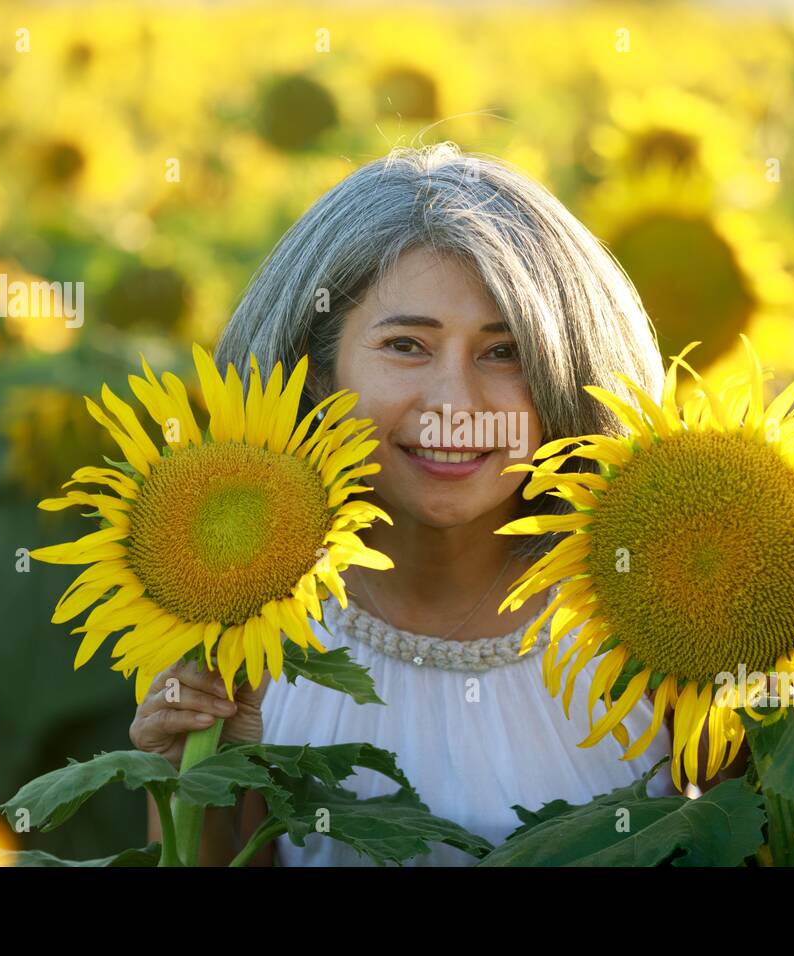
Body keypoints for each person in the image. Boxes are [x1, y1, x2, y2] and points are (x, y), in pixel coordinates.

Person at [130, 143, 748, 866]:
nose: (456, 405)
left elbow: (739, 841)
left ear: (568, 379)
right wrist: (181, 779)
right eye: (406, 346)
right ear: (318, 372)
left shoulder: (661, 623)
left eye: (505, 353)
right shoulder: (249, 636)